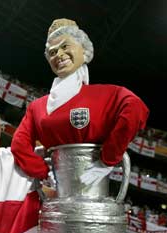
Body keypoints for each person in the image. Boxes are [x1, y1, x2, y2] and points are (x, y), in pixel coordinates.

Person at [11, 18, 149, 184]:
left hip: (92, 193)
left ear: (84, 50)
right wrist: (42, 172)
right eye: (52, 52)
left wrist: (107, 159)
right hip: (55, 195)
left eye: (65, 46)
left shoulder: (107, 95)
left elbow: (135, 108)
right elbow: (19, 145)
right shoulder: (37, 107)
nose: (59, 55)